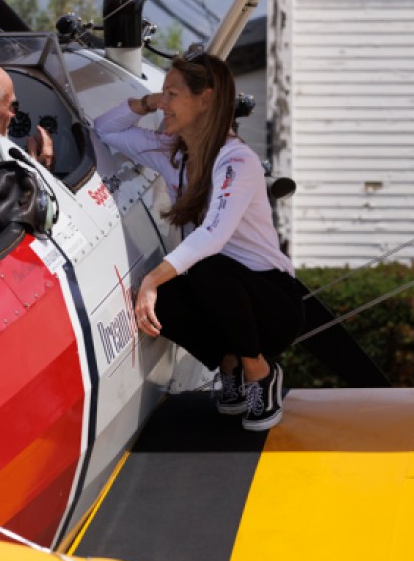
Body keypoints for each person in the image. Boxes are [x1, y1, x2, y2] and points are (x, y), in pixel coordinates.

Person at [92, 48, 299, 431]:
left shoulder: (237, 161)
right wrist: (148, 101)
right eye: (163, 94)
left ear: (205, 100)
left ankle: (259, 371)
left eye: (172, 95)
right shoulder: (173, 153)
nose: (164, 104)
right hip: (222, 295)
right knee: (162, 301)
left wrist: (153, 279)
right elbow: (105, 130)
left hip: (271, 306)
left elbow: (213, 235)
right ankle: (229, 363)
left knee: (200, 269)